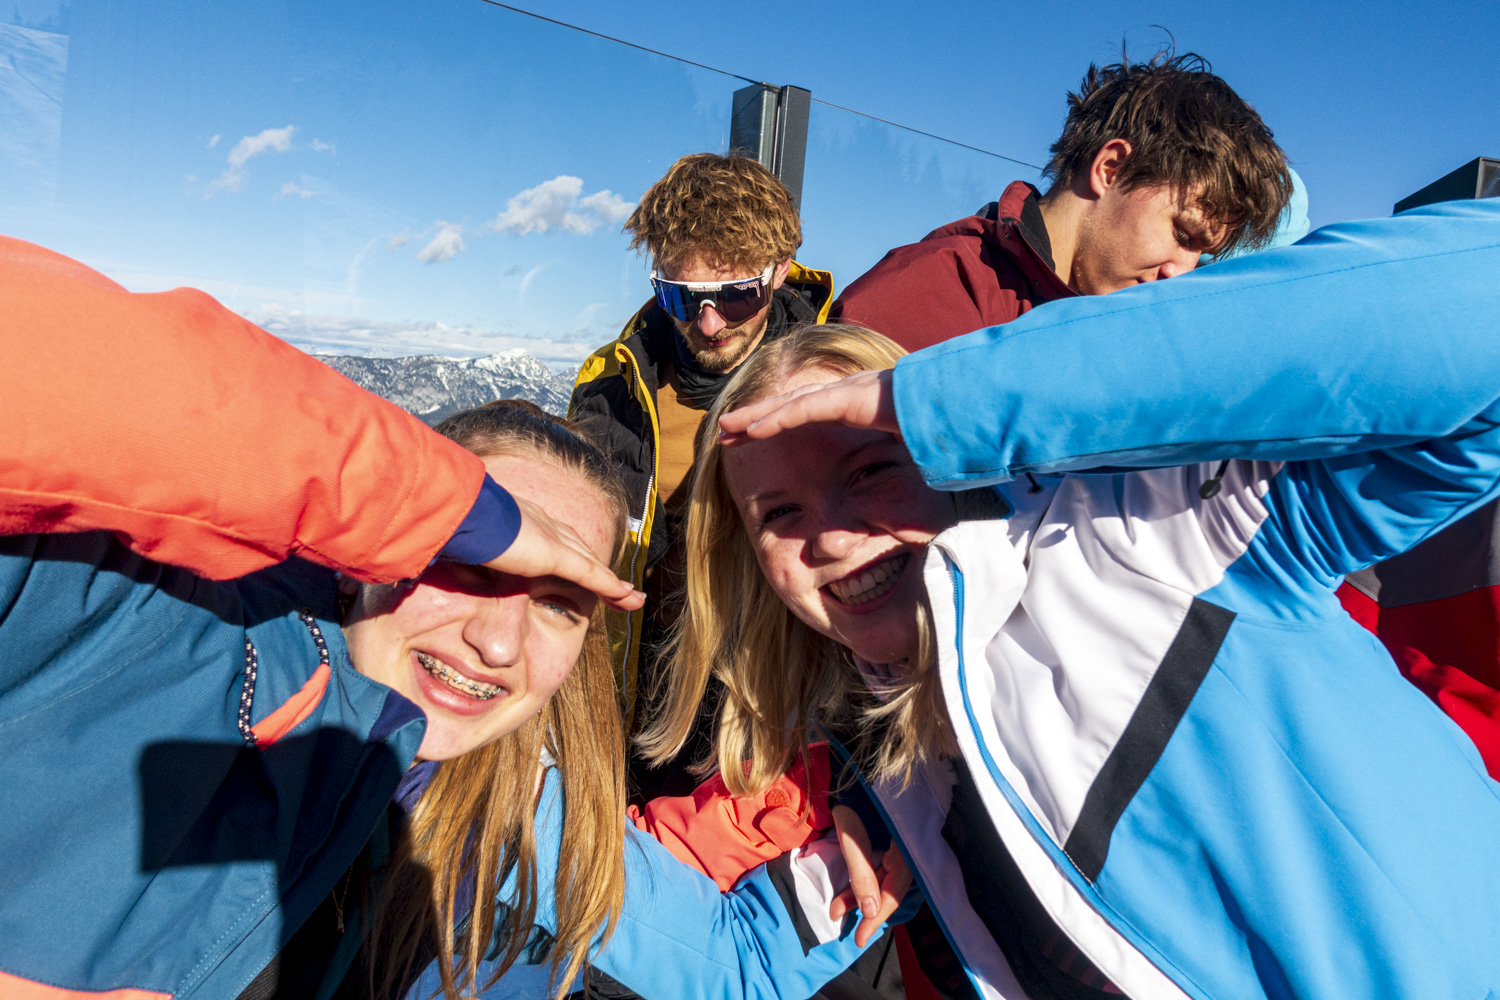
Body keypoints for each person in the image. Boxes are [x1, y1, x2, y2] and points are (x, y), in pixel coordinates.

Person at [0, 236, 896, 1000]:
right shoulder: (129, 629)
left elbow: (736, 960)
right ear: (369, 546)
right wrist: (399, 490)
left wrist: (902, 814)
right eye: (466, 568)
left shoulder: (500, 802)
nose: (497, 642)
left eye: (559, 605)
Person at [651, 197, 1500, 998]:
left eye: (872, 470)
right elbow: (731, 955)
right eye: (780, 514)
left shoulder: (1163, 540)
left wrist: (958, 397)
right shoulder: (881, 764)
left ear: (945, 459)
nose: (832, 538)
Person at [568, 152, 834, 784]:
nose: (709, 323)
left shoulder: (834, 380)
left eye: (737, 296)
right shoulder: (612, 385)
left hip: (768, 713)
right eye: (680, 298)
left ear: (781, 270)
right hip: (631, 700)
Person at [831, 51, 1297, 351]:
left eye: (1202, 253)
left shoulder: (1126, 334)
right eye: (1182, 233)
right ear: (1110, 169)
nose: (1181, 273)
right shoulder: (925, 301)